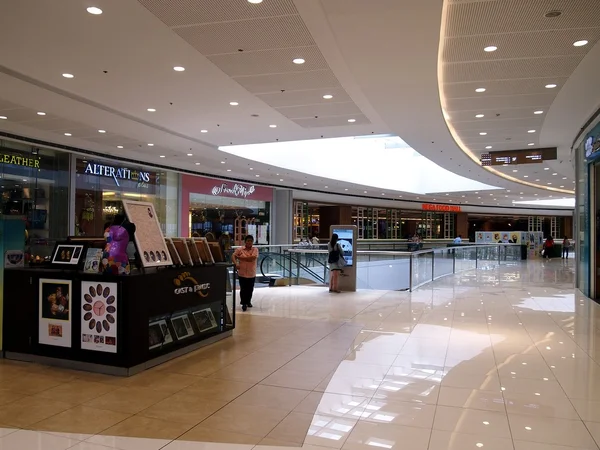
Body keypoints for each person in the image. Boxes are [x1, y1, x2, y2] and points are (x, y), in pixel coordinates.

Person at [232, 235, 259, 311]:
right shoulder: (240, 249)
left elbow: (252, 258)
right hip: (242, 273)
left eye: (251, 241)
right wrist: (236, 263)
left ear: (252, 242)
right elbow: (233, 256)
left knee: (250, 289)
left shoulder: (255, 249)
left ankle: (248, 301)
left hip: (251, 273)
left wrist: (240, 258)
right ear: (245, 242)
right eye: (248, 241)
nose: (249, 242)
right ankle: (244, 303)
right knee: (243, 289)